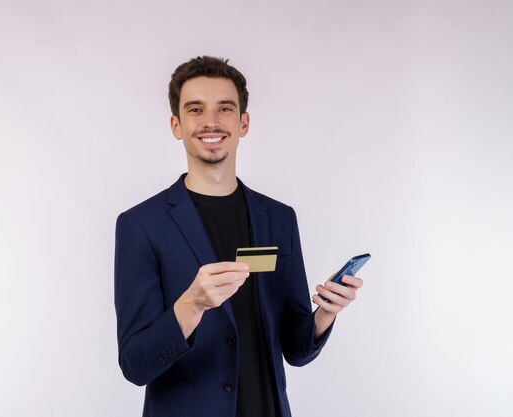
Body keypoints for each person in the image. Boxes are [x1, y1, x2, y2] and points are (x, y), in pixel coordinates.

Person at [114, 56, 363, 417]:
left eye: (225, 108)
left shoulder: (279, 219)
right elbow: (135, 365)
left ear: (243, 122)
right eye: (195, 109)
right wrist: (191, 305)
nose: (211, 121)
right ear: (176, 125)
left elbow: (295, 349)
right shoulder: (141, 225)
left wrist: (324, 314)